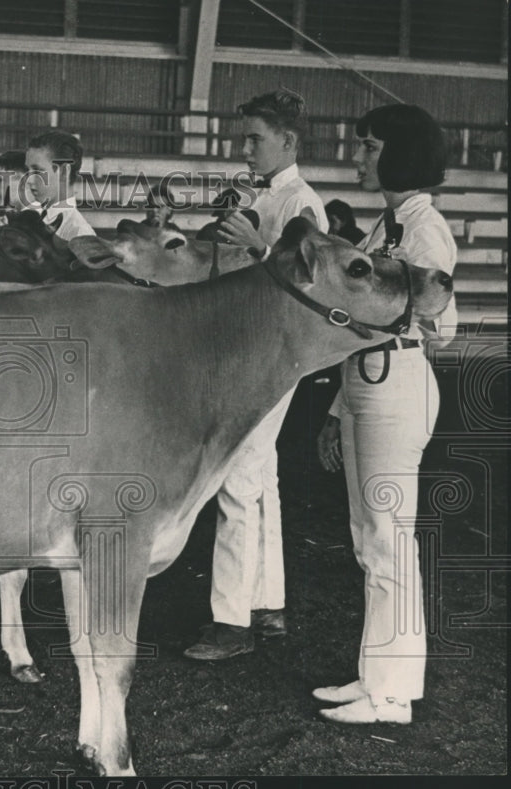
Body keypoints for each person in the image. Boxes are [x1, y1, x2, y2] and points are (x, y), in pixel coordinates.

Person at [313, 105, 457, 725]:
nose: (360, 157)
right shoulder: (389, 224)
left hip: (397, 384)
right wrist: (337, 409)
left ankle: (392, 696)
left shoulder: (425, 231)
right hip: (369, 383)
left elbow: (443, 325)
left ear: (399, 152)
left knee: (388, 540)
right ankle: (378, 675)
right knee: (372, 540)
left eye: (369, 146)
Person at [184, 89, 329, 661]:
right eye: (244, 138)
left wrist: (261, 246)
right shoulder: (265, 195)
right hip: (252, 350)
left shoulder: (302, 204)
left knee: (238, 478)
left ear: (287, 142)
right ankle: (267, 606)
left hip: (271, 355)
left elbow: (312, 285)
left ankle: (230, 623)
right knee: (259, 478)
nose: (244, 149)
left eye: (255, 139)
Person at [24, 130, 95, 241]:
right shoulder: (35, 219)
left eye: (38, 170)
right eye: (28, 170)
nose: (29, 180)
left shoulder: (79, 234)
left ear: (63, 172)